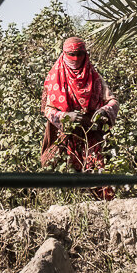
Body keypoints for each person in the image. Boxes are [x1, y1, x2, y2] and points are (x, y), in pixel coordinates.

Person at [40, 36, 120, 197]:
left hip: (90, 134)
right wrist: (65, 116)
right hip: (65, 136)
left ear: (86, 54)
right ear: (64, 54)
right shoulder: (54, 76)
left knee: (97, 177)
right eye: (72, 54)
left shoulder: (94, 76)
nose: (76, 59)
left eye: (80, 54)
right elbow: (48, 109)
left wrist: (105, 110)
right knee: (62, 179)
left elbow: (112, 100)